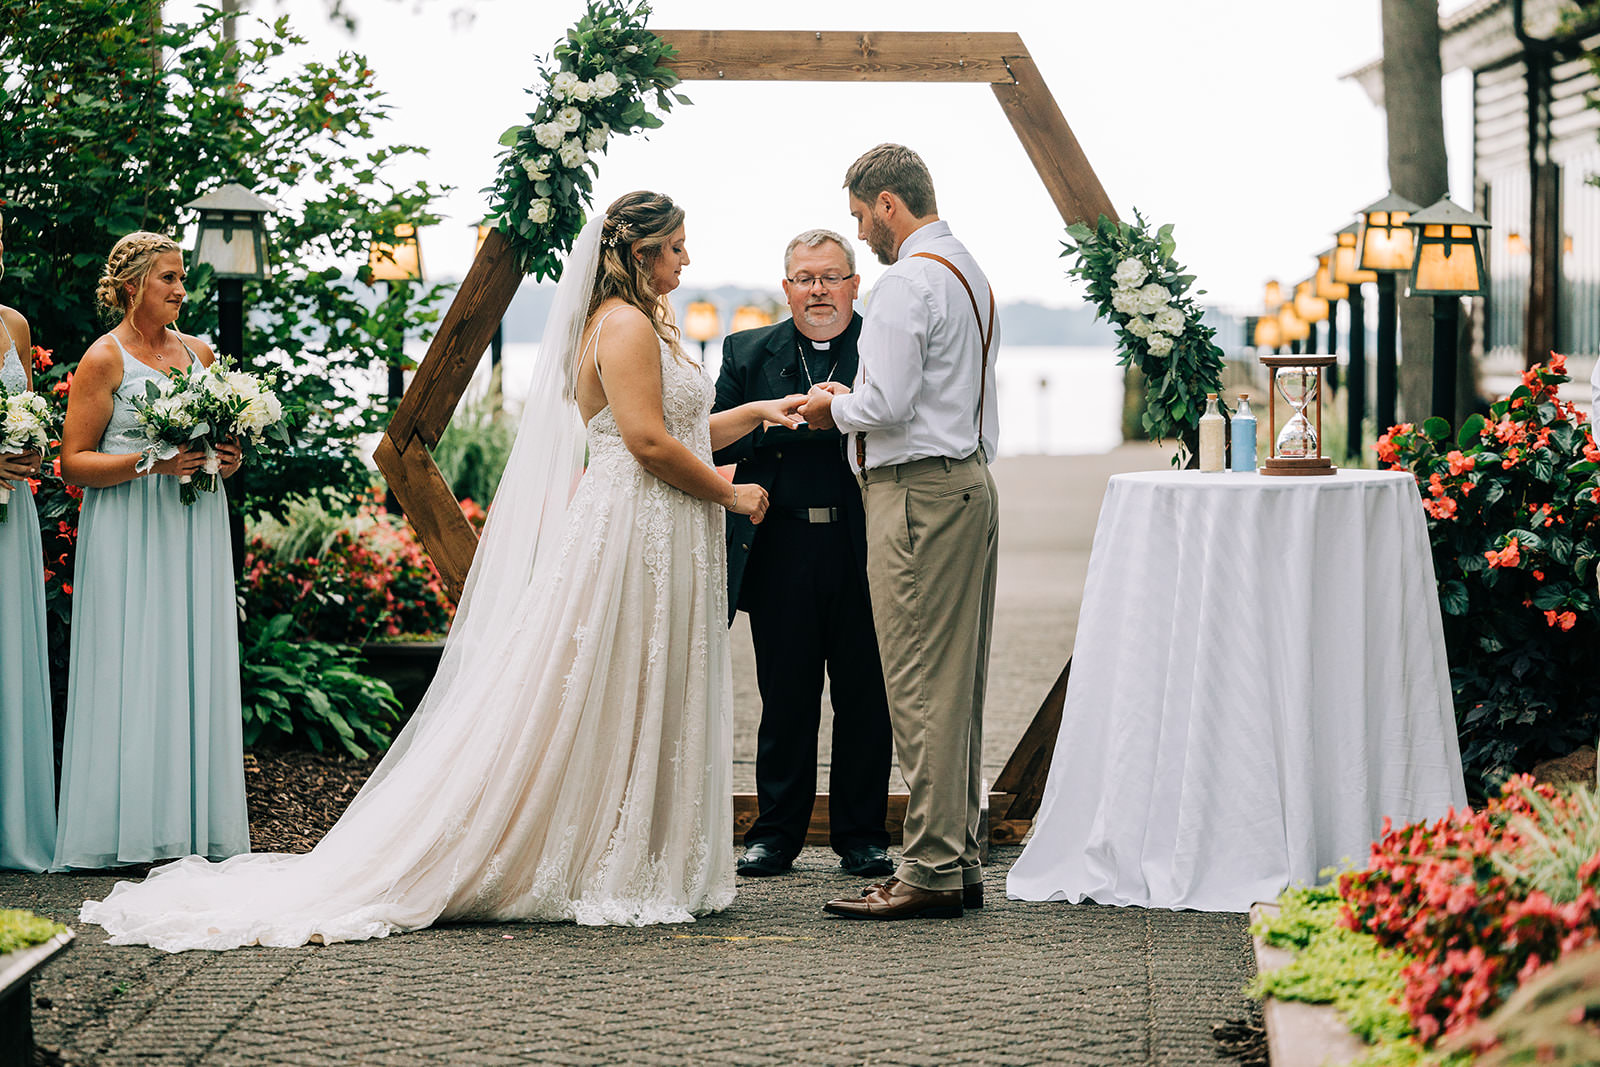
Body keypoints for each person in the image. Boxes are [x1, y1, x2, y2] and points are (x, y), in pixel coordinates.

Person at [78, 192, 801, 950]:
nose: (687, 260)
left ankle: (634, 845)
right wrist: (729, 490)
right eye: (676, 247)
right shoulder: (619, 325)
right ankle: (593, 851)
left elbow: (680, 427)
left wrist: (756, 414)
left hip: (659, 520)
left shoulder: (642, 322)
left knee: (633, 682)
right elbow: (648, 444)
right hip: (634, 524)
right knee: (606, 680)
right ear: (639, 252)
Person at [801, 144, 1001, 921]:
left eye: (861, 216)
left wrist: (832, 407)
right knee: (958, 686)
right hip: (968, 484)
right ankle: (958, 859)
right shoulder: (968, 271)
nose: (863, 233)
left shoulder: (906, 280)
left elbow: (883, 405)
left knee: (918, 686)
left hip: (916, 494)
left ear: (889, 204)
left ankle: (927, 869)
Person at [53, 231, 249, 870]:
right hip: (130, 530)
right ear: (134, 284)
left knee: (189, 657)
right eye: (168, 277)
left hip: (193, 525)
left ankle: (191, 826)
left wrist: (229, 457)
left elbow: (222, 445)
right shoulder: (103, 359)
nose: (180, 290)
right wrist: (150, 462)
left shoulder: (200, 354)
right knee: (134, 660)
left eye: (182, 276)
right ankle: (131, 827)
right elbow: (73, 465)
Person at [712, 229, 892, 880]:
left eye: (831, 277)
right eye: (805, 278)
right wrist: (772, 420)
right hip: (782, 544)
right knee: (784, 699)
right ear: (786, 288)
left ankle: (863, 835)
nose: (819, 290)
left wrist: (852, 414)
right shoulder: (746, 351)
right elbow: (714, 446)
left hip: (865, 544)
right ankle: (775, 833)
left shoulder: (884, 347)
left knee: (866, 697)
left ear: (854, 284)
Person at [0, 210, 57, 872]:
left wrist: (28, 450)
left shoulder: (13, 324)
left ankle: (13, 825)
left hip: (12, 517)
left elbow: (31, 416)